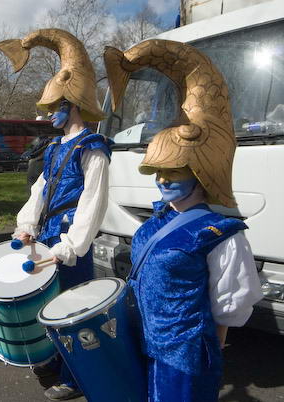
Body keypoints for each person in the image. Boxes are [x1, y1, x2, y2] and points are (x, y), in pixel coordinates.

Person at [104, 39, 263, 401]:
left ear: (198, 171)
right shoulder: (155, 222)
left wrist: (212, 348)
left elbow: (230, 302)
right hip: (148, 345)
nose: (162, 180)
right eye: (158, 171)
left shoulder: (220, 234)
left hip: (187, 358)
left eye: (174, 172)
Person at [0, 28, 110, 400]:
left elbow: (93, 202)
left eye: (54, 107)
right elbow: (39, 191)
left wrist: (71, 246)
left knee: (72, 311)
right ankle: (54, 359)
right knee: (47, 305)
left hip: (68, 244)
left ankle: (76, 377)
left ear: (72, 102)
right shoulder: (55, 148)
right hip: (45, 239)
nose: (49, 114)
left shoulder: (93, 148)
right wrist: (26, 225)